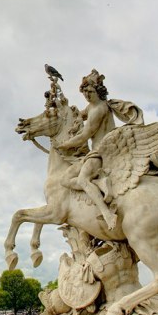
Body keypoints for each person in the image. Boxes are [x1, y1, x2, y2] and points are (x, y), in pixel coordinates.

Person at [57, 70, 137, 230]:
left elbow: (85, 135)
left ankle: (107, 213)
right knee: (64, 180)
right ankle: (100, 183)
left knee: (82, 180)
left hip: (101, 153)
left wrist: (64, 145)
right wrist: (62, 107)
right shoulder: (91, 106)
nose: (87, 95)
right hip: (93, 154)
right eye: (84, 92)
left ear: (98, 92)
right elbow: (79, 115)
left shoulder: (100, 109)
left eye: (90, 92)